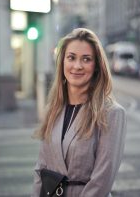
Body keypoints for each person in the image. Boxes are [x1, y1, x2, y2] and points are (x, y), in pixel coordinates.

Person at [32, 28, 127, 197]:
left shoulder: (112, 113)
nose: (77, 66)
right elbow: (41, 167)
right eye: (71, 57)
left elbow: (102, 179)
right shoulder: (52, 109)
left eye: (86, 59)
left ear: (97, 66)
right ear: (62, 63)